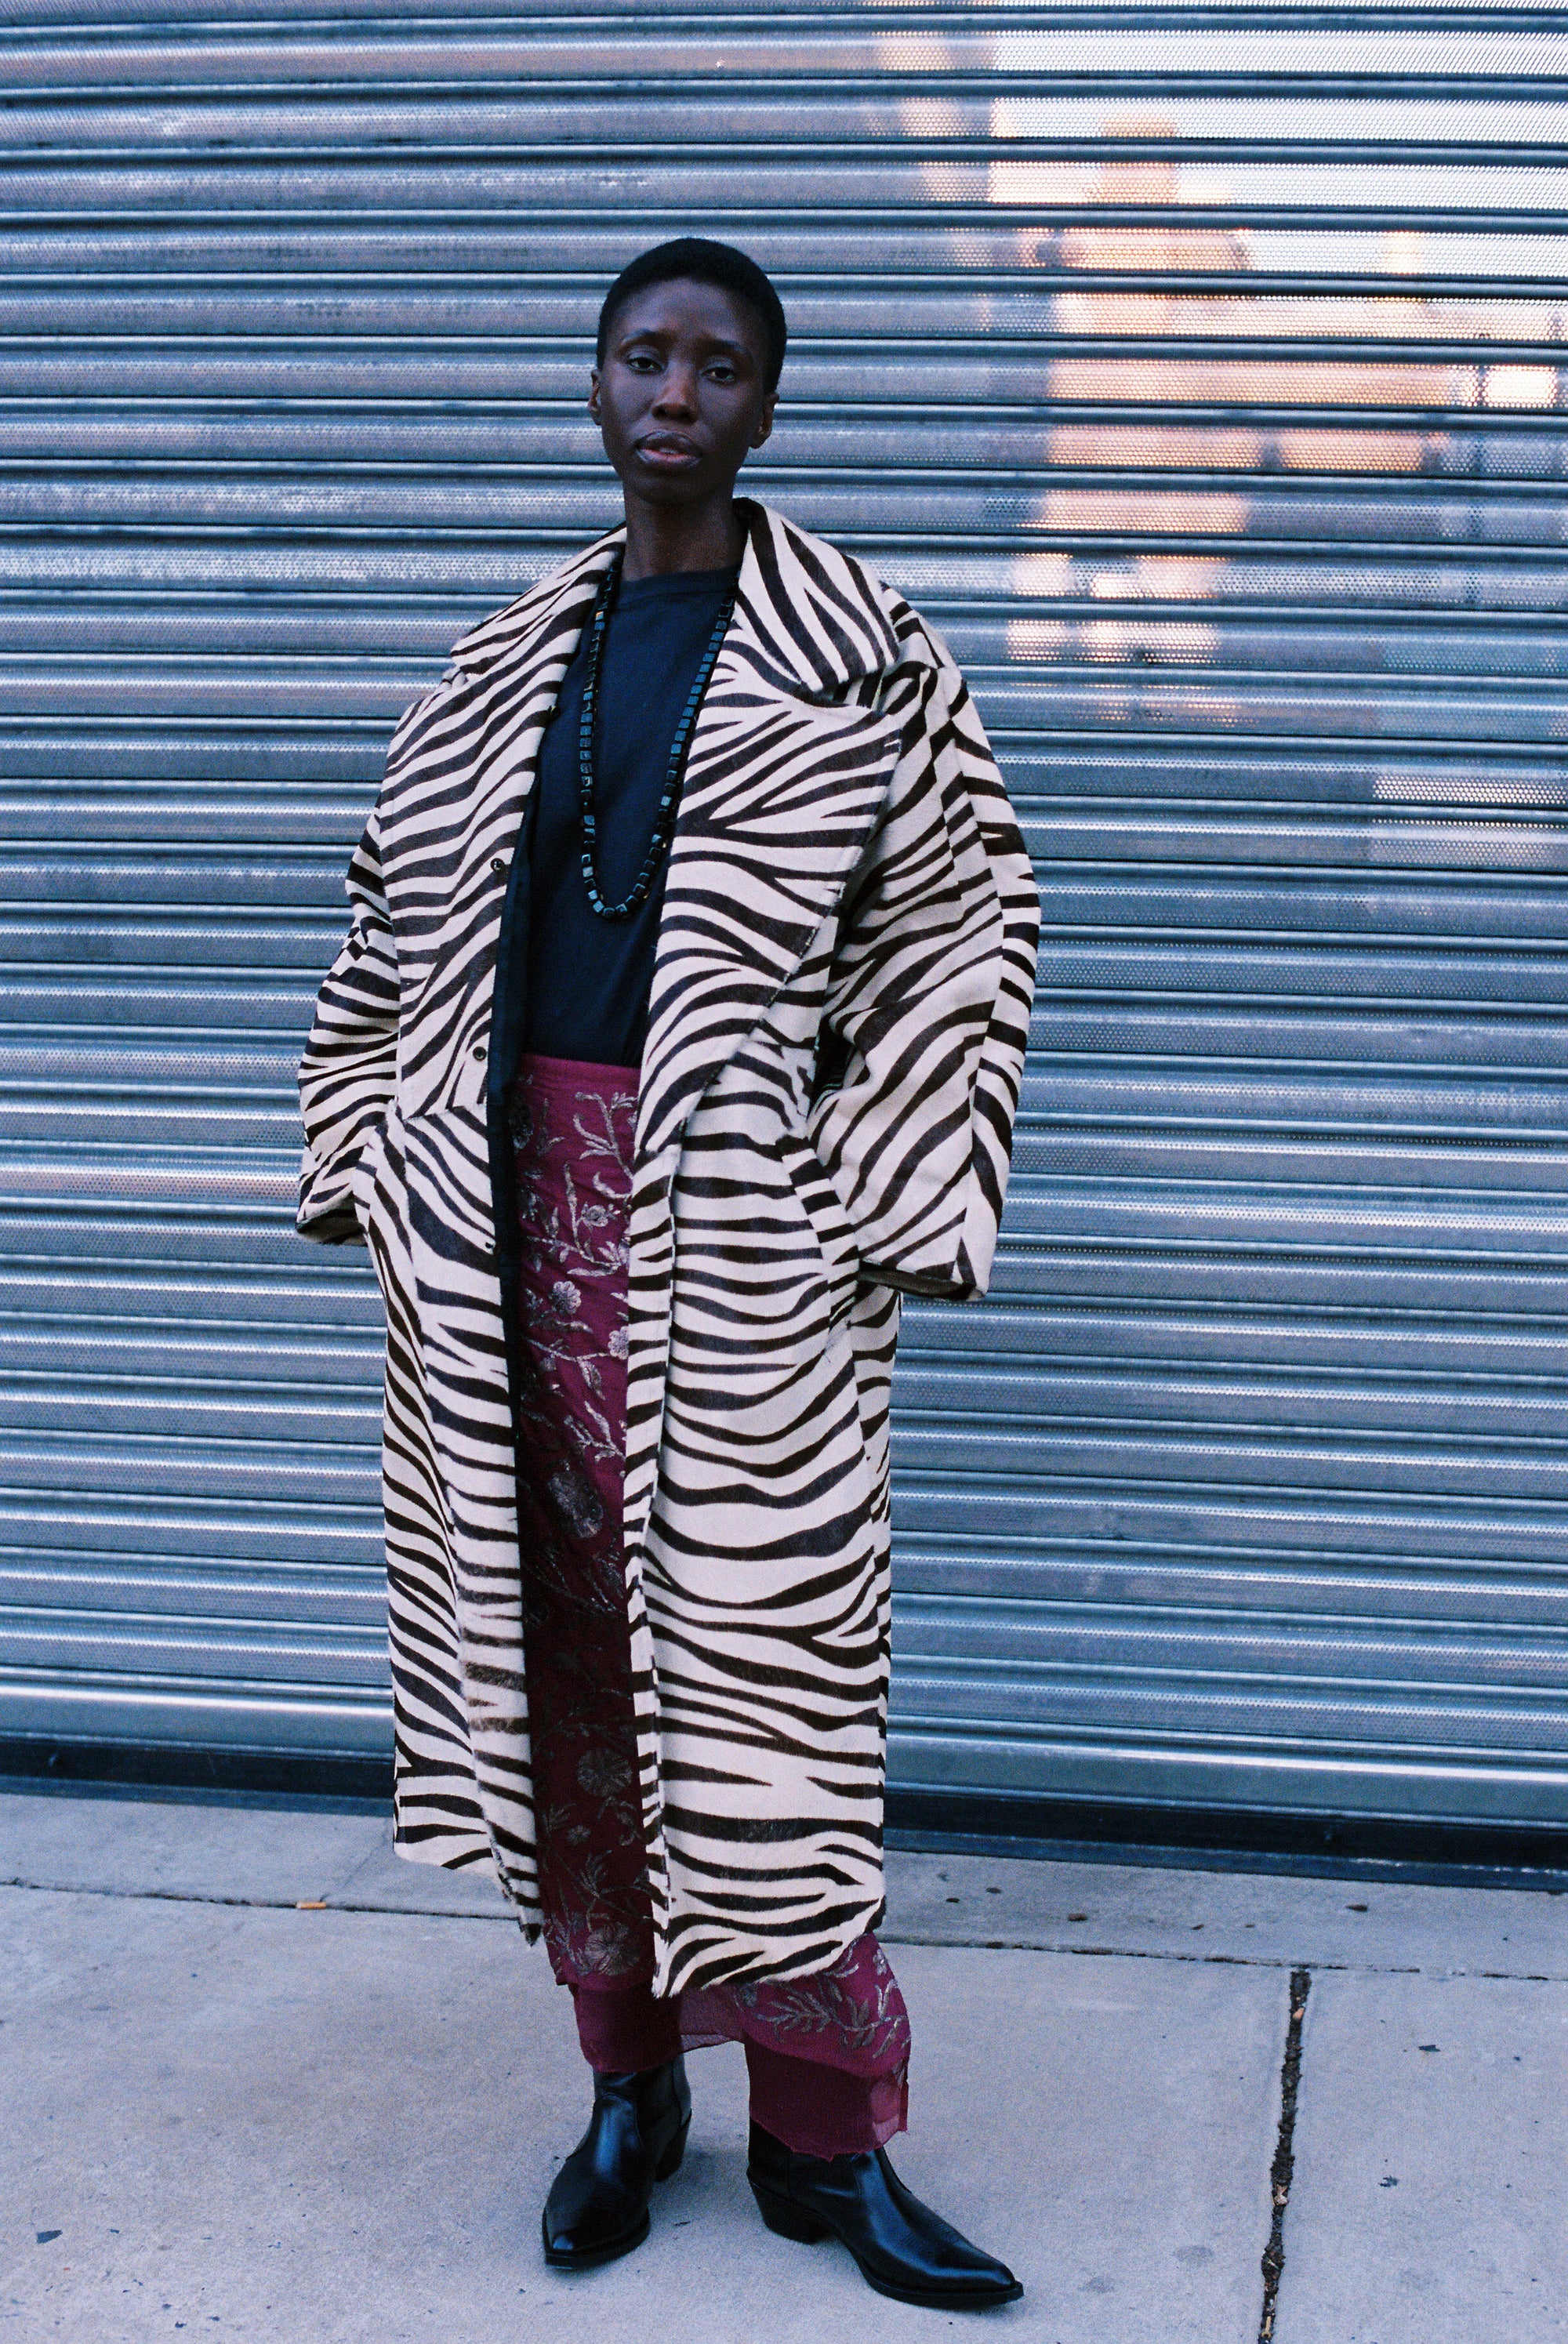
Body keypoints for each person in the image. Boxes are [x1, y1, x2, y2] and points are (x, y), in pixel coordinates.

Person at [297, 238, 1039, 2310]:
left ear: (769, 406)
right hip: (510, 1230)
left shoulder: (865, 657)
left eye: (721, 365)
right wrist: (370, 1133)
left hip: (736, 1239)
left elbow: (964, 930)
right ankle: (629, 2099)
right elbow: (386, 909)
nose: (678, 393)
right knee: (569, 1686)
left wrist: (862, 1191)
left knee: (769, 1699)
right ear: (598, 382)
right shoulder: (498, 660)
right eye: (646, 354)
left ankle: (825, 2146)